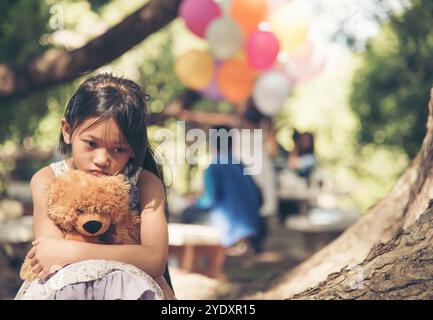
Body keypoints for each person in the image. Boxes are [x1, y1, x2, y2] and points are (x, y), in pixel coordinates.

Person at [15, 73, 175, 300]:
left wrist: (70, 251)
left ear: (133, 150)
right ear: (68, 131)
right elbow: (48, 258)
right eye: (91, 144)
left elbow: (154, 259)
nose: (102, 159)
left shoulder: (145, 183)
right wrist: (131, 255)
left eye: (118, 149)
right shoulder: (48, 179)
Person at [189, 126, 263, 256]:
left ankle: (201, 257)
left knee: (187, 214)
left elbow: (210, 200)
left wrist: (195, 202)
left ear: (211, 144)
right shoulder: (239, 164)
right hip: (252, 224)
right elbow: (258, 195)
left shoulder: (214, 167)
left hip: (230, 227)